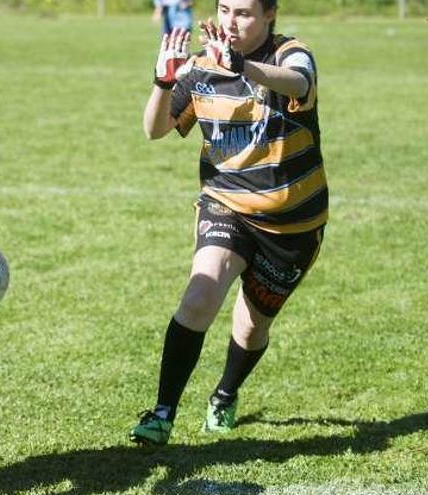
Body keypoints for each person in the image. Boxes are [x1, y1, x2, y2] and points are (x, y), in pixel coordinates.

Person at [130, 0, 326, 446]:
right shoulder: (201, 67)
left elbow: (300, 81)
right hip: (227, 205)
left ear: (270, 15)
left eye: (244, 13)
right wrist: (163, 81)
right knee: (200, 294)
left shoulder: (289, 54)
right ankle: (162, 412)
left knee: (252, 327)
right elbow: (154, 129)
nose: (230, 22)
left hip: (292, 223)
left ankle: (225, 392)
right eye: (224, 9)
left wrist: (244, 68)